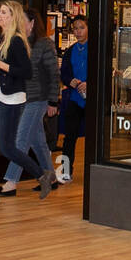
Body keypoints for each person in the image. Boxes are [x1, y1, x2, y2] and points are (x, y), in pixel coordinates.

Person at [0, 1, 52, 204]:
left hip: (12, 101)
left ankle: (42, 175)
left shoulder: (16, 41)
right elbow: (1, 73)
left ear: (12, 17)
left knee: (7, 148)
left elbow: (25, 72)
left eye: (3, 12)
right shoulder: (3, 39)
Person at [0, 7, 59, 198]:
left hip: (38, 99)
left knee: (21, 140)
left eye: (22, 20)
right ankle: (50, 177)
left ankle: (11, 181)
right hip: (22, 97)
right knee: (37, 141)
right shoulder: (20, 43)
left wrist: (53, 101)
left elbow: (53, 75)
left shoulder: (44, 44)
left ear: (32, 23)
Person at [57, 15, 89, 183]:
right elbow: (64, 73)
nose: (78, 31)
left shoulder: (97, 49)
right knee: (70, 137)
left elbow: (103, 71)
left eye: (81, 27)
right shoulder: (70, 51)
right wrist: (71, 81)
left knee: (93, 138)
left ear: (88, 28)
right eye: (75, 28)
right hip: (75, 98)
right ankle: (66, 171)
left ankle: (94, 170)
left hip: (92, 100)